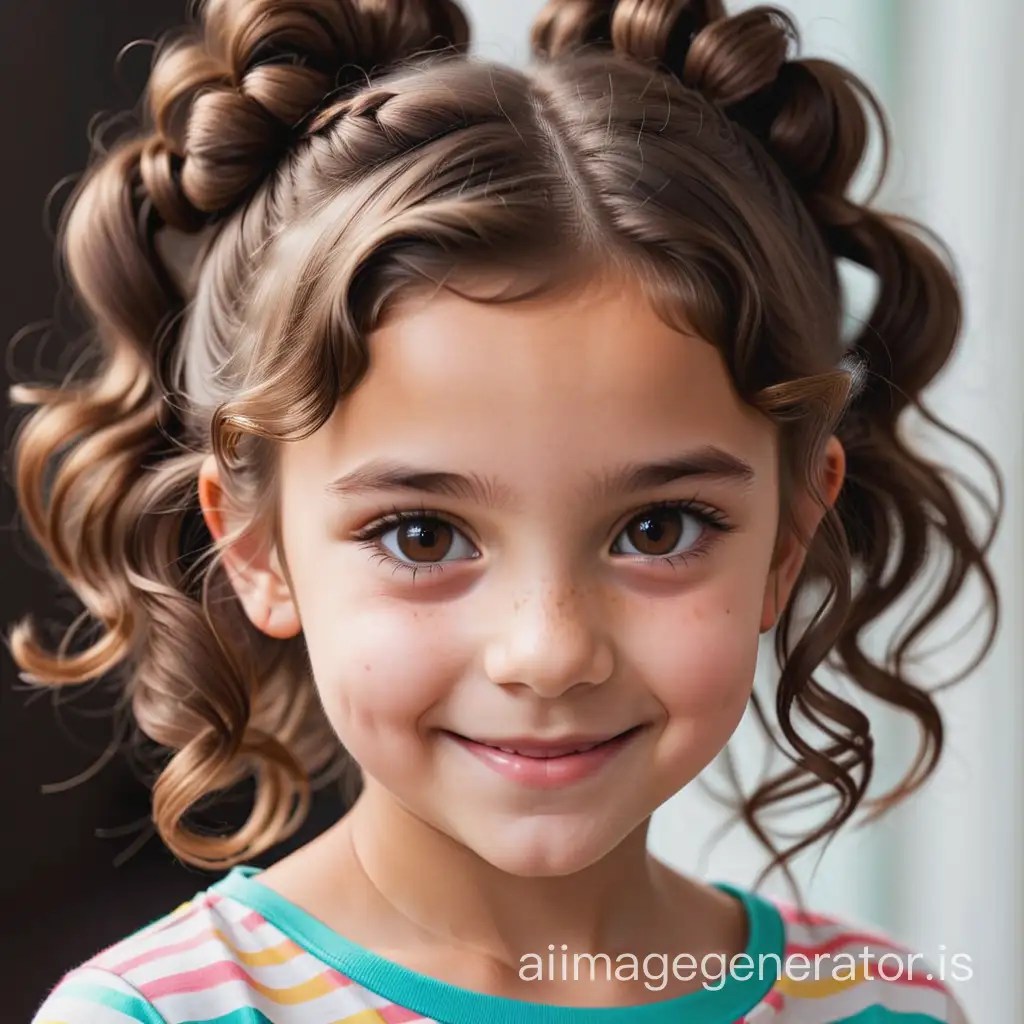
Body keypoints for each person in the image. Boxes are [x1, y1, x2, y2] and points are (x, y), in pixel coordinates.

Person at [12, 0, 1000, 1020]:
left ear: (790, 536)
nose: (548, 650)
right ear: (257, 548)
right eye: (422, 535)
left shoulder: (885, 1005)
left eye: (658, 528)